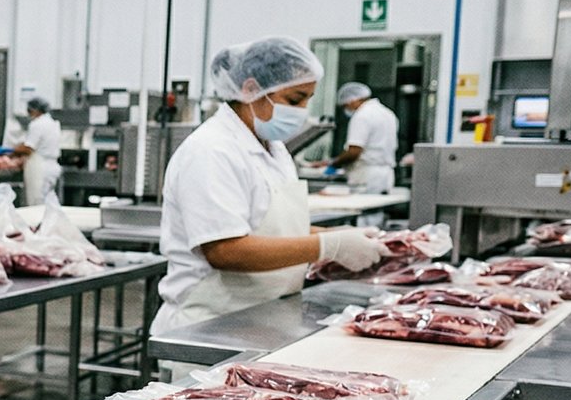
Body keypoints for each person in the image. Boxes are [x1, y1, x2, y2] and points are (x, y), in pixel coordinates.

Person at [152, 37, 390, 334]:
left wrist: (341, 236)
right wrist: (328, 246)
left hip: (263, 314)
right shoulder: (212, 150)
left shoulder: (274, 149)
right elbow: (224, 250)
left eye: (307, 99)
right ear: (251, 89)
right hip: (208, 323)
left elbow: (272, 227)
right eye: (294, 99)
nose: (302, 110)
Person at [320, 81, 399, 227]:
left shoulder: (362, 116)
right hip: (385, 174)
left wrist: (333, 164)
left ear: (353, 100)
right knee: (376, 217)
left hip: (366, 175)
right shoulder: (387, 113)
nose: (346, 109)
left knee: (363, 221)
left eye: (345, 105)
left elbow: (354, 151)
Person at [10, 96, 63, 206]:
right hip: (52, 166)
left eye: (29, 110)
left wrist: (11, 151)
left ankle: (38, 223)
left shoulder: (37, 124)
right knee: (48, 201)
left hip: (40, 168)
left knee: (37, 201)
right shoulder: (53, 123)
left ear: (35, 110)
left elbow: (29, 148)